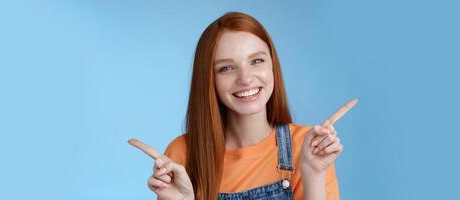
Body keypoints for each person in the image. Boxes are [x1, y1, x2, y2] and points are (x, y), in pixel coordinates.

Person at [128, 11, 357, 200]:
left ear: (272, 66)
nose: (246, 78)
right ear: (209, 80)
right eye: (226, 68)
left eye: (256, 61)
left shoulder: (307, 148)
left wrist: (313, 174)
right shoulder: (182, 154)